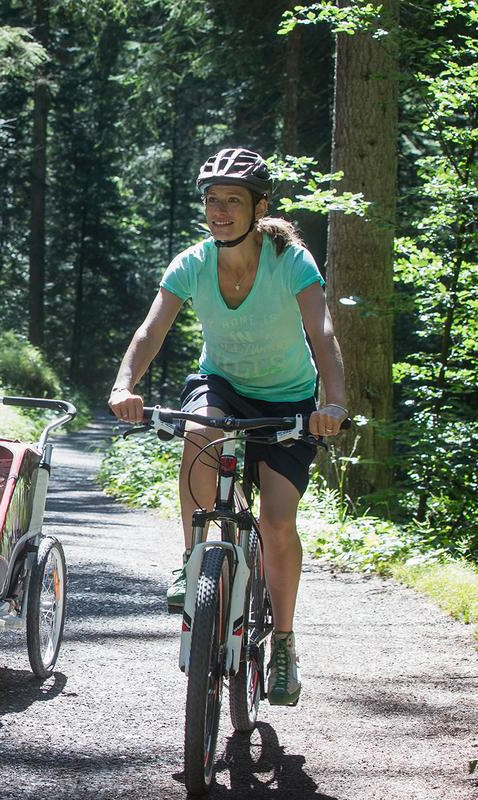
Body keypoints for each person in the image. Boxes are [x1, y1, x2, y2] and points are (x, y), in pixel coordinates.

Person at [107, 147, 347, 707]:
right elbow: (151, 331)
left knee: (277, 521)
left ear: (259, 207)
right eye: (212, 200)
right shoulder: (191, 263)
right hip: (223, 386)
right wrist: (124, 385)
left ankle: (283, 643)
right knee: (199, 433)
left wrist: (333, 404)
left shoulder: (291, 262)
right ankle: (194, 560)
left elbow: (324, 335)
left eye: (233, 201)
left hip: (289, 399)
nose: (220, 211)